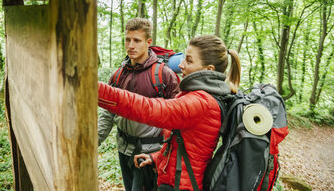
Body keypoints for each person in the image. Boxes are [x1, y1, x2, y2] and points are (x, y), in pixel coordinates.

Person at [98, 35, 241, 191]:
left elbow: (148, 109)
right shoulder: (203, 96)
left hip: (180, 185)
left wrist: (95, 89)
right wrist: (156, 157)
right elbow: (189, 148)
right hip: (178, 180)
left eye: (189, 60)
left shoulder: (201, 103)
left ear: (209, 70)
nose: (181, 65)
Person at [98, 18, 180, 191]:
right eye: (128, 40)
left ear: (148, 42)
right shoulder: (118, 75)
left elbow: (177, 118)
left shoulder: (163, 75)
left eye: (137, 40)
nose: (131, 45)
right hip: (123, 148)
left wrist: (162, 154)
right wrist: (93, 142)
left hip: (149, 150)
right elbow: (108, 112)